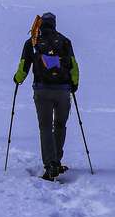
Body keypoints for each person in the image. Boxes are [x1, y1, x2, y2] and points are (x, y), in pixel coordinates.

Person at [13, 12, 79, 180]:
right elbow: (73, 65)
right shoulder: (64, 41)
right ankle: (56, 160)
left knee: (45, 127)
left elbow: (23, 67)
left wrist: (17, 79)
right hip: (63, 90)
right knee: (60, 125)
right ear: (54, 24)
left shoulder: (32, 42)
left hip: (42, 90)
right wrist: (74, 84)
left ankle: (50, 164)